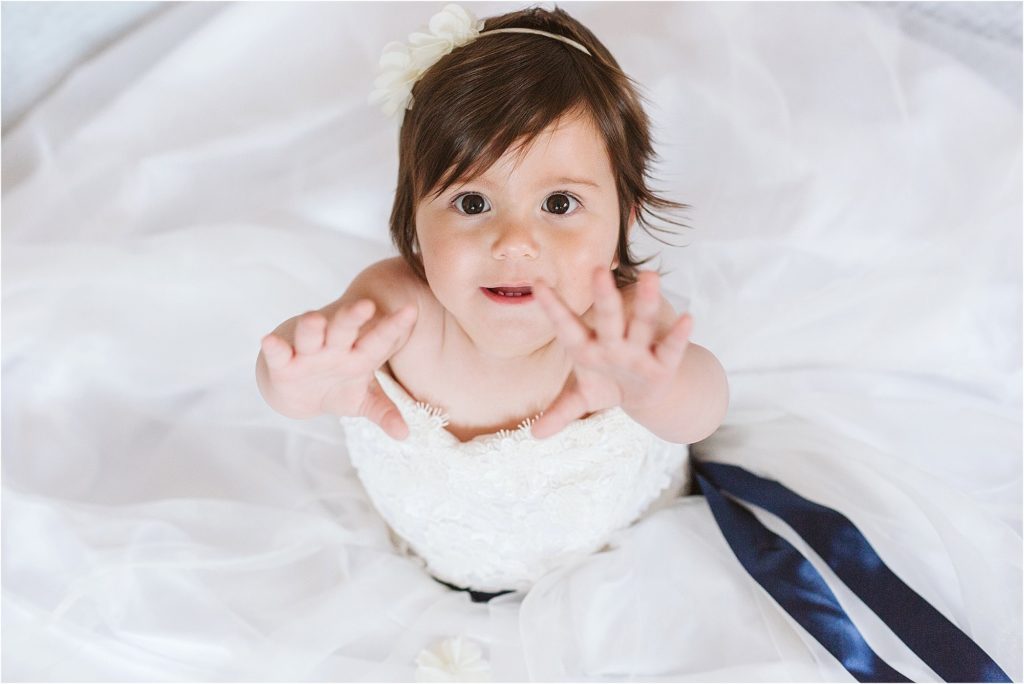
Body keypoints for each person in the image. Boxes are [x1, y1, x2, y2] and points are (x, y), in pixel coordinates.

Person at [255, 3, 728, 601]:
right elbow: (308, 355)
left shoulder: (618, 332)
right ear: (413, 222)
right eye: (472, 203)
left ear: (620, 227)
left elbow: (704, 407)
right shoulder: (397, 309)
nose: (513, 243)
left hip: (625, 576)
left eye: (559, 204)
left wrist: (659, 391)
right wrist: (297, 385)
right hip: (423, 575)